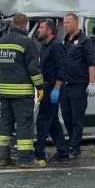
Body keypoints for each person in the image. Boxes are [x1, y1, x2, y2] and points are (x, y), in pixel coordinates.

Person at [0, 12, 45, 168]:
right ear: (25, 25)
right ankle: (26, 159)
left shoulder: (1, 42)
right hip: (22, 93)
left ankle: (2, 157)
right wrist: (40, 87)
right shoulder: (26, 42)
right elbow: (33, 68)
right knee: (24, 124)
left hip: (5, 91)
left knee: (5, 123)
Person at [61, 12, 95, 159]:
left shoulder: (85, 42)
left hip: (78, 85)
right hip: (65, 85)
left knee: (77, 118)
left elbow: (91, 64)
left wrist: (92, 82)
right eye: (64, 23)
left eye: (67, 23)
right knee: (67, 117)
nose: (65, 25)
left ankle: (75, 147)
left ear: (76, 23)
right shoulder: (65, 41)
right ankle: (72, 143)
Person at [34, 19, 69, 165]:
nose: (38, 30)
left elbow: (63, 67)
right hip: (46, 87)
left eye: (41, 27)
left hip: (53, 87)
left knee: (42, 121)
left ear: (49, 30)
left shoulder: (56, 46)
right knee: (53, 121)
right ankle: (63, 153)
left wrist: (57, 88)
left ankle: (39, 154)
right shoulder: (45, 46)